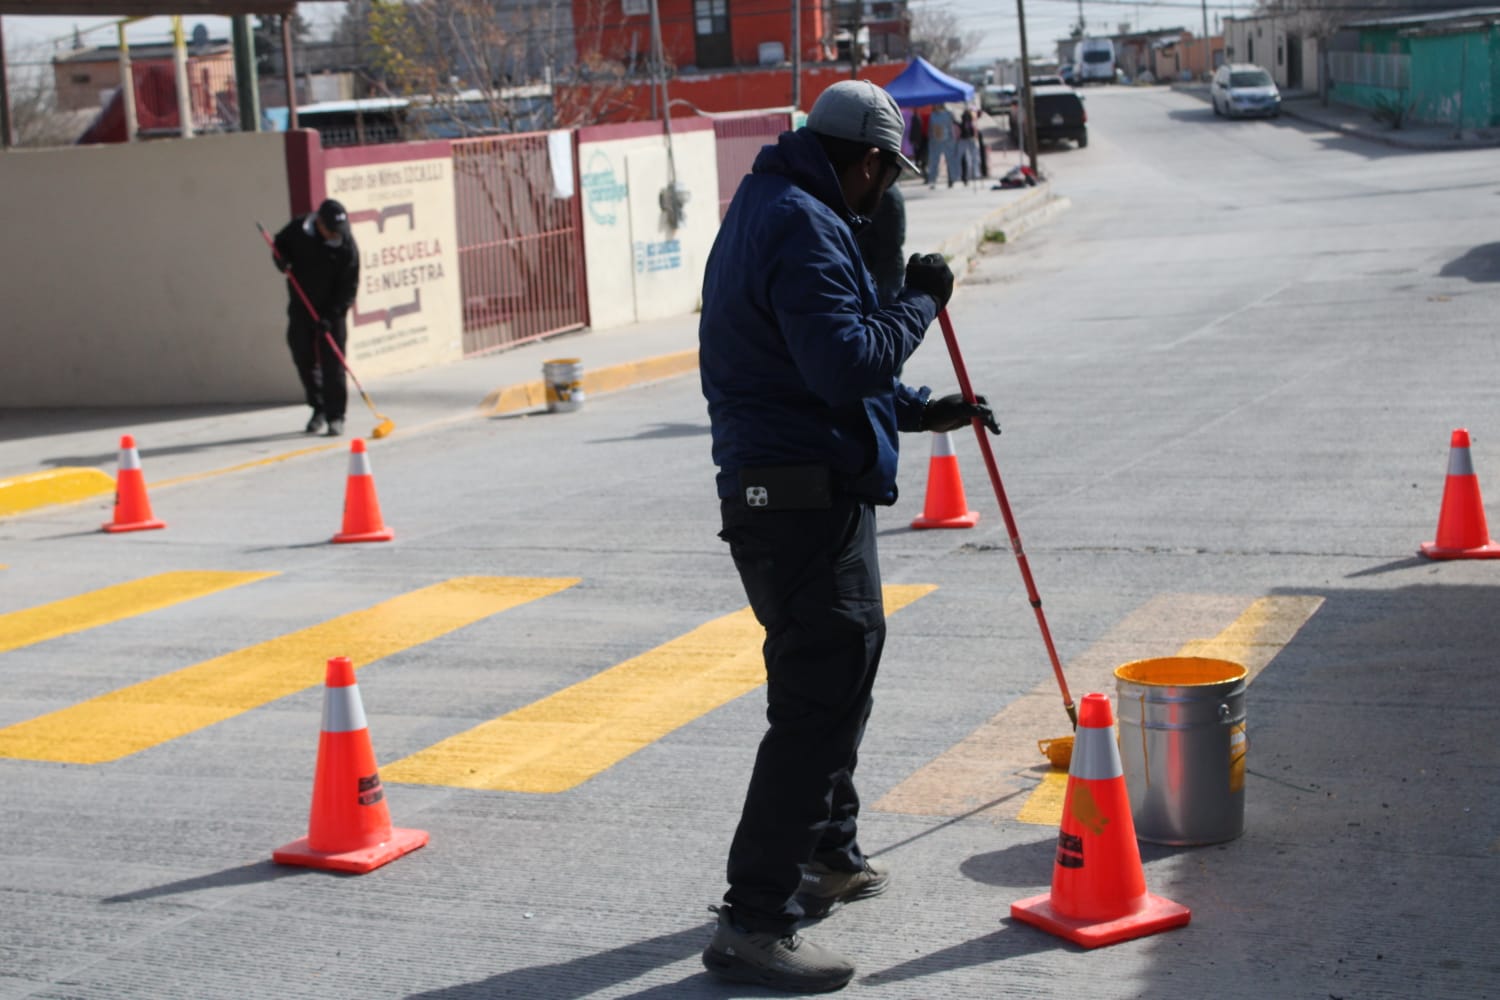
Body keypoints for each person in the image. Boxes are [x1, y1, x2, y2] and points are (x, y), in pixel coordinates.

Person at [697, 79, 999, 994]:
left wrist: (919, 409)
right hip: (798, 505)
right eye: (888, 174)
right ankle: (755, 921)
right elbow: (844, 361)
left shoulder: (776, 206)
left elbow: (812, 365)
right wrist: (922, 303)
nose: (886, 191)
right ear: (866, 162)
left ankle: (828, 854)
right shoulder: (803, 223)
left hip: (804, 493)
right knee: (817, 704)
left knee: (836, 682)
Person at [272, 199, 359, 436]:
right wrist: (281, 260)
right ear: (319, 223)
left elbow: (349, 288)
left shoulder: (346, 246)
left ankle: (336, 416)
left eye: (339, 230)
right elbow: (279, 244)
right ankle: (318, 407)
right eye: (331, 229)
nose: (336, 234)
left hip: (332, 310)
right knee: (302, 355)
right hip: (302, 305)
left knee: (333, 363)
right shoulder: (299, 229)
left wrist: (332, 316)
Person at [925, 104, 957, 188]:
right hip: (936, 141)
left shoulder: (948, 114)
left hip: (946, 141)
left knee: (949, 160)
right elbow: (930, 129)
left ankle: (951, 179)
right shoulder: (933, 115)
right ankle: (933, 180)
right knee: (934, 162)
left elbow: (951, 127)